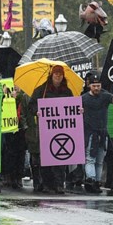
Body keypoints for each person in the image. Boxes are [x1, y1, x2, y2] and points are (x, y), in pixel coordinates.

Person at [81, 71, 113, 194]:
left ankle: (97, 182)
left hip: (103, 134)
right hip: (90, 134)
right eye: (94, 85)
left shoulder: (105, 96)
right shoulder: (83, 99)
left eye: (98, 85)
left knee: (99, 161)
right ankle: (91, 180)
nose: (97, 88)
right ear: (89, 86)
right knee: (90, 159)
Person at [28, 64, 74, 194]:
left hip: (62, 130)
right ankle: (47, 184)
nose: (58, 76)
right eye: (56, 74)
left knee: (61, 158)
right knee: (46, 158)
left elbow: (72, 108)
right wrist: (37, 111)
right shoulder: (41, 91)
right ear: (51, 75)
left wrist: (79, 110)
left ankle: (59, 184)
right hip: (46, 130)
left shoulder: (67, 91)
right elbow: (31, 106)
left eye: (60, 74)